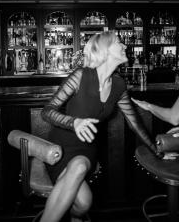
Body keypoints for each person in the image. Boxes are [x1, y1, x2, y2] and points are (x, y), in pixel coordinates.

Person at [40, 30, 160, 222]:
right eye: (119, 43)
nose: (125, 46)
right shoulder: (81, 76)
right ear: (105, 50)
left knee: (83, 204)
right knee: (79, 179)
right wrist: (74, 122)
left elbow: (135, 124)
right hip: (60, 147)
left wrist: (157, 150)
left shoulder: (119, 85)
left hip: (87, 149)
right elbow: (47, 111)